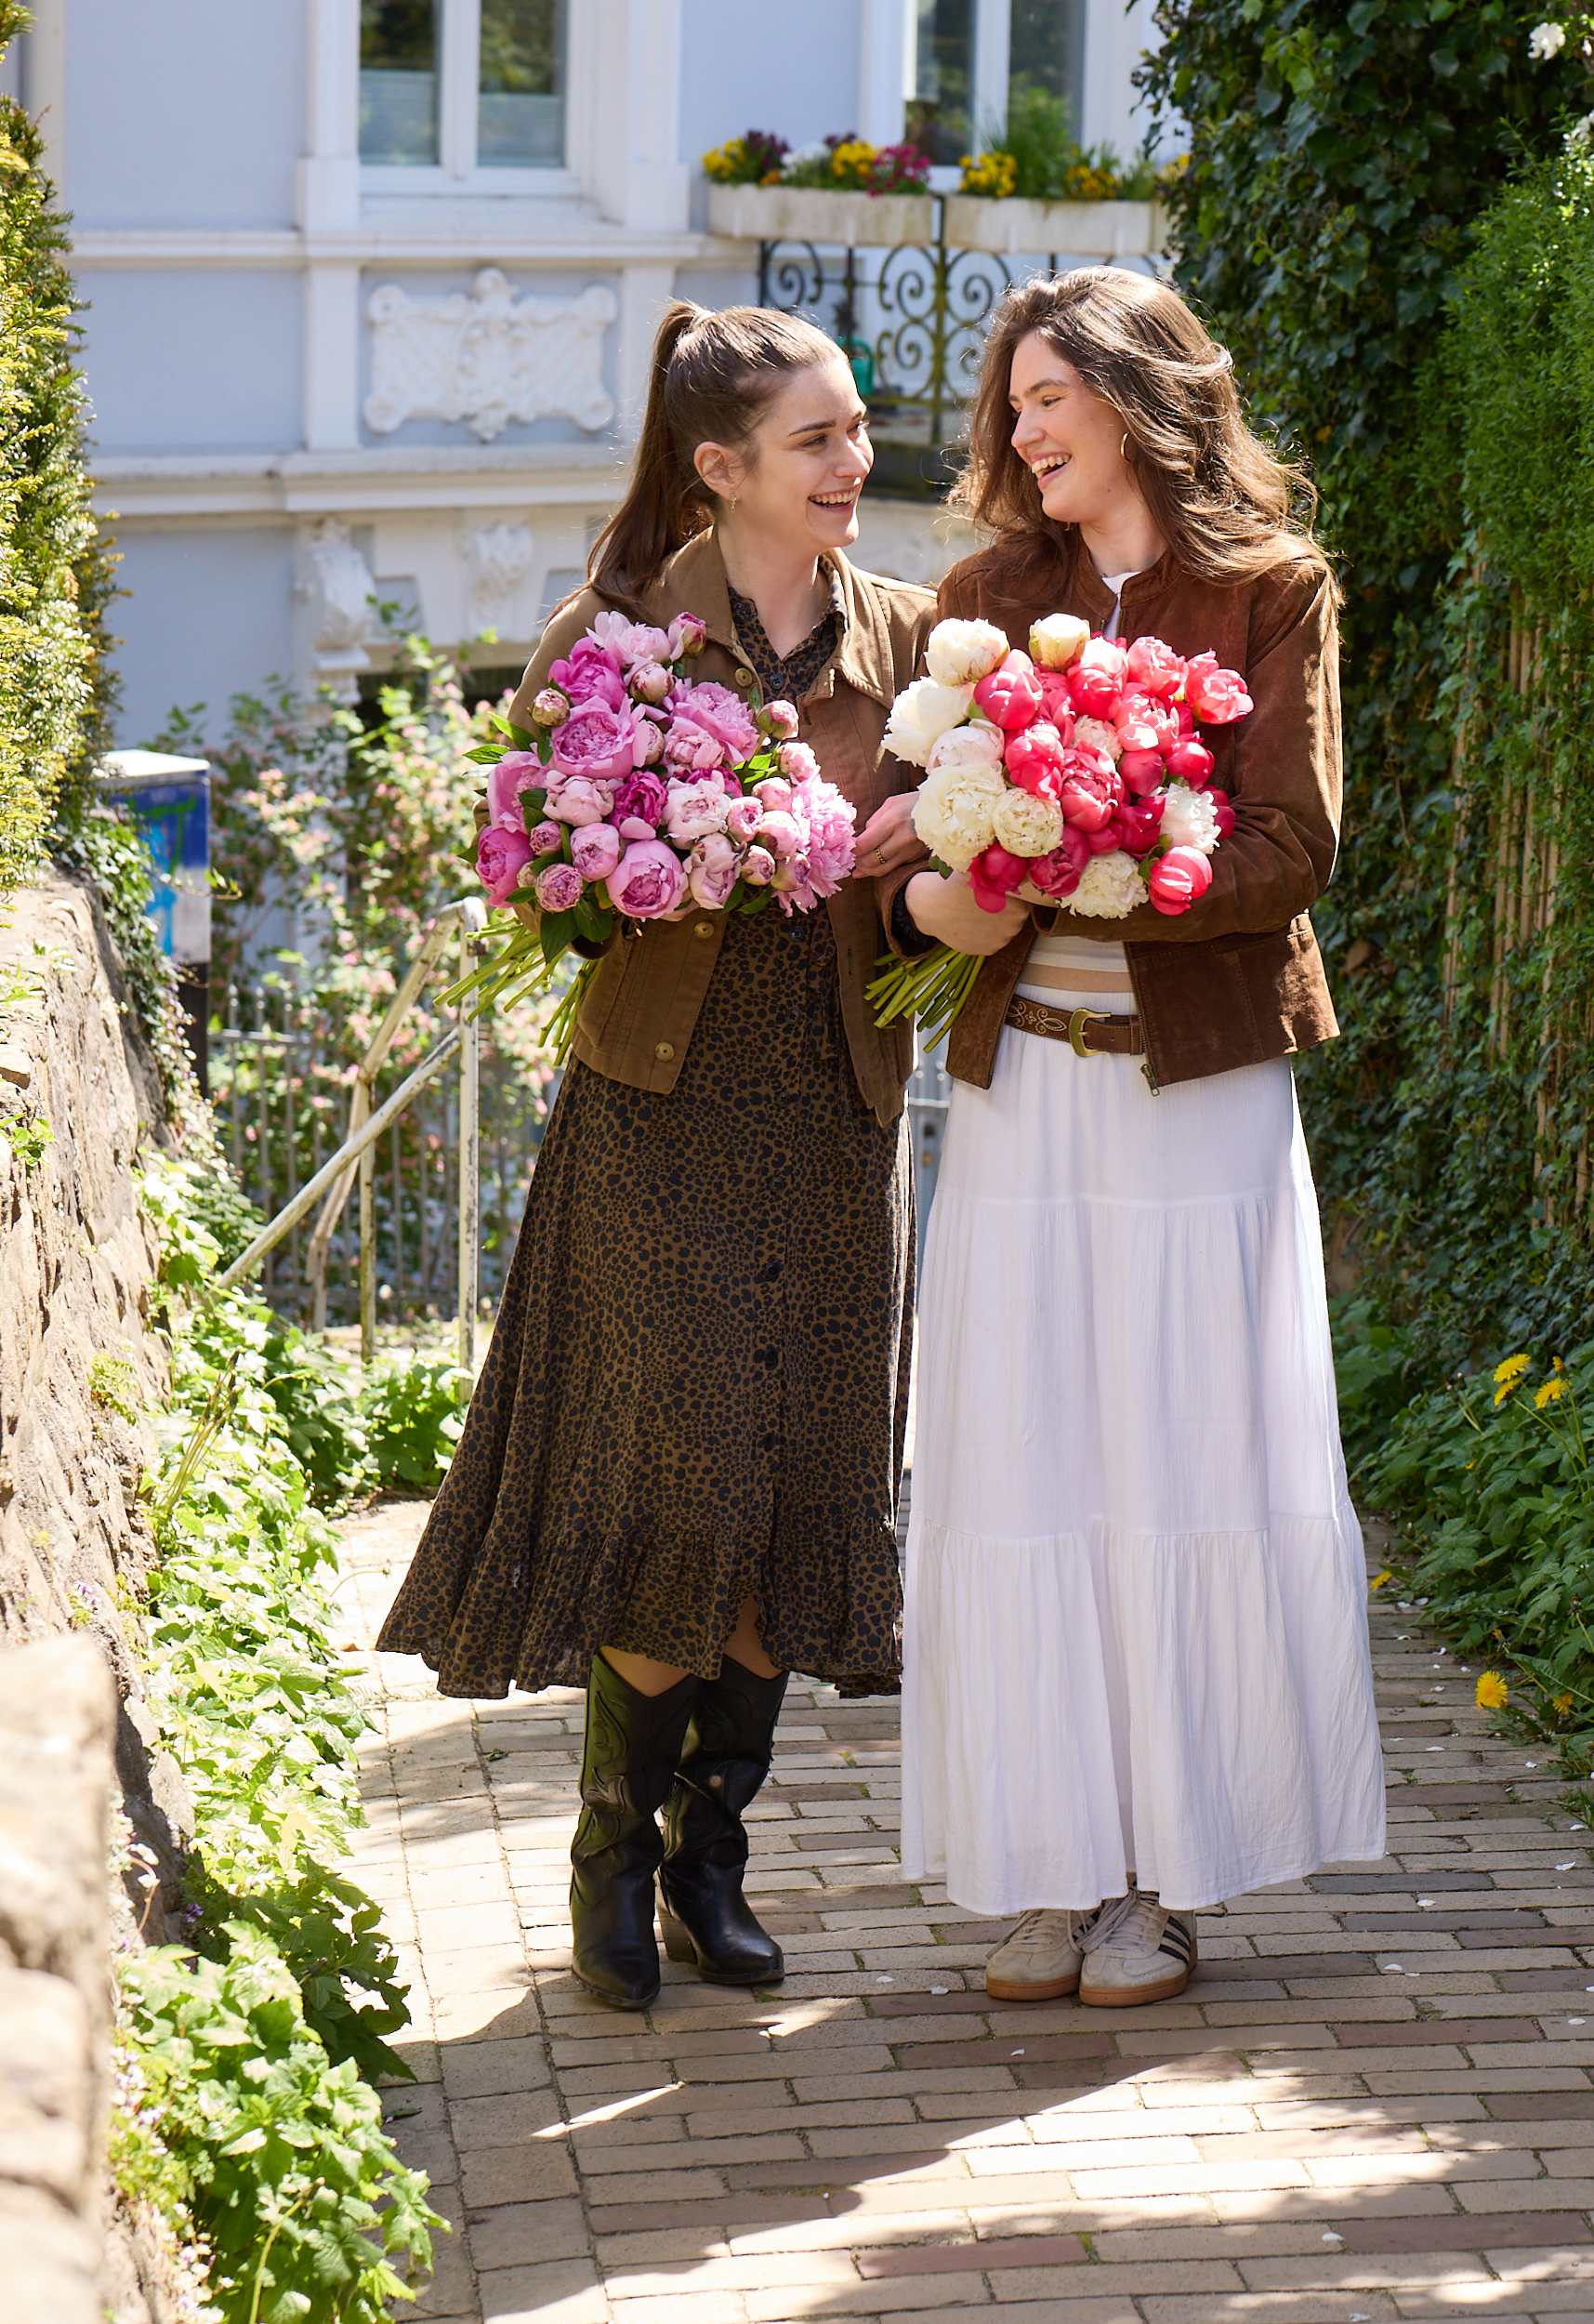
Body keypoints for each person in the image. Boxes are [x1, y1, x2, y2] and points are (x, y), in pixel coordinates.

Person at [376, 301, 933, 2011]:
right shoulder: (611, 636)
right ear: (722, 469)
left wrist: (935, 853)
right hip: (663, 1126)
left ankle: (712, 1862)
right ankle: (608, 1856)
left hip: (834, 1126)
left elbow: (953, 895)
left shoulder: (909, 645)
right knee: (675, 1486)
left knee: (787, 1501)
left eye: (853, 431)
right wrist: (631, 853)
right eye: (821, 439)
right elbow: (531, 883)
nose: (857, 461)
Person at [891, 268, 1387, 2006]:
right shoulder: (978, 600)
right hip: (1022, 1090)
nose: (1020, 432)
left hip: (1198, 1101)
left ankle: (1159, 1884)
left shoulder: (1267, 592)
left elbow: (1292, 852)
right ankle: (1049, 1867)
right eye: (1010, 404)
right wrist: (966, 861)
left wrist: (1104, 855)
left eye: (1048, 399)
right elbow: (929, 852)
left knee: (1177, 1458)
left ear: (1135, 398)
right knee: (1028, 1459)